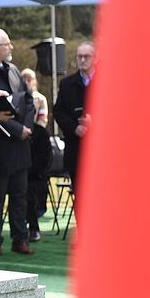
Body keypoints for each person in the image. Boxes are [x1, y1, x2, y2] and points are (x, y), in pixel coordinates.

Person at [0, 28, 35, 255]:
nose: (11, 48)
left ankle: (20, 238)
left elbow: (28, 101)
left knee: (20, 195)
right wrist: (16, 129)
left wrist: (27, 127)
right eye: (6, 44)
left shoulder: (13, 69)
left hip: (20, 146)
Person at [53, 41, 97, 194]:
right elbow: (58, 111)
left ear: (95, 58)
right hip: (76, 150)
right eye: (80, 57)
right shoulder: (67, 84)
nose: (83, 60)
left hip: (101, 150)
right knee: (80, 194)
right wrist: (74, 128)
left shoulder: (107, 83)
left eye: (86, 56)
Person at [21, 68, 52, 241]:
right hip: (21, 139)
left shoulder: (40, 98)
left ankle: (33, 227)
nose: (26, 81)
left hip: (35, 142)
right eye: (23, 78)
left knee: (32, 189)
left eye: (29, 78)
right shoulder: (18, 96)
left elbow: (42, 120)